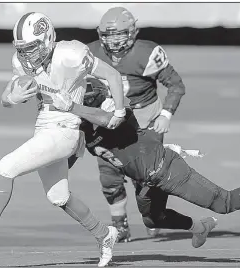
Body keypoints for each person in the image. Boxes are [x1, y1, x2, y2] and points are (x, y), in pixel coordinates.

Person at [0, 12, 127, 267]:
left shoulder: (71, 54)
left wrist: (118, 111)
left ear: (48, 39)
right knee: (58, 196)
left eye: (31, 48)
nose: (26, 55)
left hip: (65, 128)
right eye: (22, 49)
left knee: (5, 168)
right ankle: (104, 234)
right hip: (44, 128)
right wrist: (10, 99)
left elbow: (112, 75)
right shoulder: (22, 62)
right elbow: (6, 96)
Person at [65, 79, 240, 248]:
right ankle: (200, 226)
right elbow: (68, 158)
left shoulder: (116, 113)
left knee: (225, 202)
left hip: (167, 170)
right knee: (154, 220)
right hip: (147, 179)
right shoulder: (83, 130)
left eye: (81, 102)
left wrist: (82, 106)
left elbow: (113, 118)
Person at [86, 6, 186, 242]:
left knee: (147, 176)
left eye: (119, 35)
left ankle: (154, 215)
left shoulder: (147, 53)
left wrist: (166, 115)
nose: (114, 42)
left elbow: (176, 85)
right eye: (108, 36)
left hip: (144, 120)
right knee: (109, 176)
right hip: (109, 121)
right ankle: (119, 225)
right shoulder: (89, 53)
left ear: (132, 33)